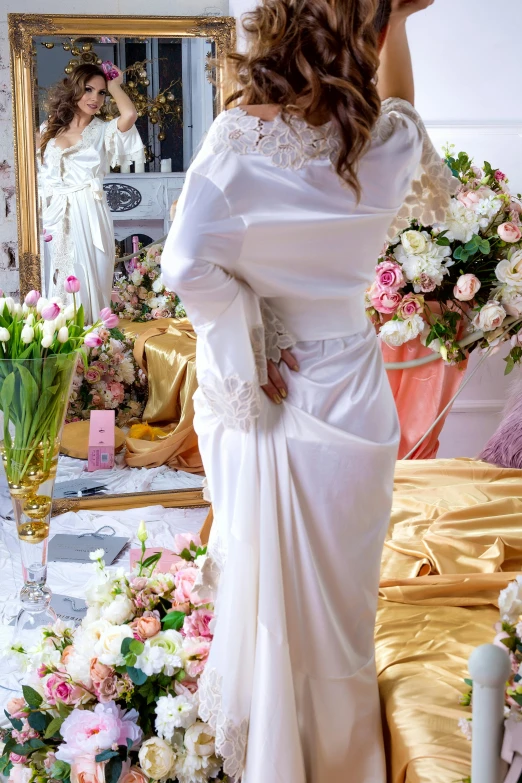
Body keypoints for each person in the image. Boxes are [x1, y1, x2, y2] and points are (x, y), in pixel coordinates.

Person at [161, 0, 452, 780]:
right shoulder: (387, 142)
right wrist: (396, 22)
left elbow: (187, 264)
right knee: (344, 609)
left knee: (280, 603)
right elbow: (401, 105)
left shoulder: (237, 146)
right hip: (354, 390)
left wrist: (250, 330)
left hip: (281, 390)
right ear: (370, 35)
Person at [38, 63, 144, 323]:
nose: (95, 98)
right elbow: (39, 177)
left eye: (101, 92)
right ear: (75, 89)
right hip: (56, 214)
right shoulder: (48, 129)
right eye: (88, 90)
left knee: (91, 277)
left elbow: (129, 114)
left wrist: (116, 84)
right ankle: (62, 340)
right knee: (61, 280)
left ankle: (95, 347)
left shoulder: (103, 131)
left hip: (90, 210)